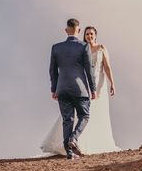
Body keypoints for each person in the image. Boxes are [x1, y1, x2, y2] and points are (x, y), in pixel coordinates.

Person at [40, 24, 120, 156]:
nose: (89, 36)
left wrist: (112, 83)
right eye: (87, 34)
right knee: (80, 114)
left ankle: (89, 142)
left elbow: (107, 67)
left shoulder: (101, 48)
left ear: (95, 35)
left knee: (95, 113)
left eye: (91, 34)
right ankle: (75, 142)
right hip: (83, 84)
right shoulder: (82, 47)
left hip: (98, 83)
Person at [45, 18, 97, 159]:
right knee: (84, 116)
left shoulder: (56, 47)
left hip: (62, 89)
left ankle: (69, 153)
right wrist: (93, 89)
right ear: (79, 31)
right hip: (80, 90)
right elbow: (89, 70)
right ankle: (73, 139)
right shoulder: (84, 47)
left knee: (67, 120)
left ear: (66, 30)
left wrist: (54, 89)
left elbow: (52, 71)